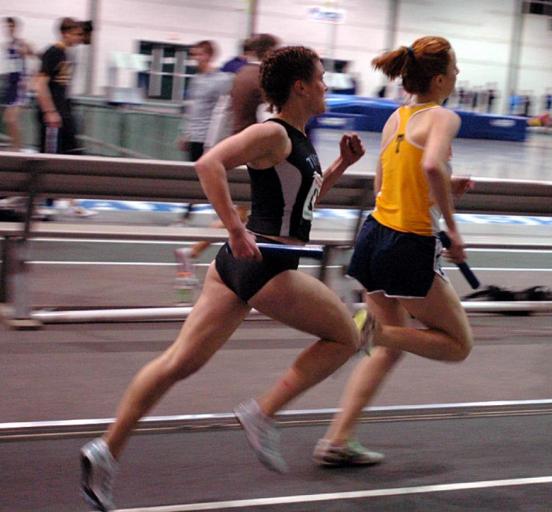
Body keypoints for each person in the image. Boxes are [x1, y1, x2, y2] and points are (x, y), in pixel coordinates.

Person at [79, 45, 368, 511]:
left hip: (239, 264)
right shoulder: (271, 133)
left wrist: (338, 167)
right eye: (320, 79)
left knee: (179, 362)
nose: (326, 87)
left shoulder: (296, 137)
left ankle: (106, 452)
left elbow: (300, 205)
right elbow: (208, 163)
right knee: (346, 337)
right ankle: (263, 414)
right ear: (300, 86)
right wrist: (234, 229)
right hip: (265, 262)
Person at [312, 36, 474, 467]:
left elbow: (385, 189)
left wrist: (442, 192)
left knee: (389, 348)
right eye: (455, 70)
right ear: (439, 78)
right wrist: (453, 230)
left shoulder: (395, 118)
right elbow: (429, 165)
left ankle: (337, 440)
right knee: (457, 344)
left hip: (374, 237)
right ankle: (371, 330)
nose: (458, 76)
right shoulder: (442, 117)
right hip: (408, 243)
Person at [173, 34, 279, 291]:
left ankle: (202, 255)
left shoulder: (239, 76)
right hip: (254, 152)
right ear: (268, 53)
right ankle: (196, 254)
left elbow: (224, 113)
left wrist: (214, 146)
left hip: (238, 147)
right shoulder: (261, 79)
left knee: (243, 212)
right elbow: (270, 118)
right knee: (247, 212)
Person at [34, 17, 94, 217]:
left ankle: (69, 201)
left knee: (69, 155)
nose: (79, 38)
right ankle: (42, 201)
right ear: (65, 33)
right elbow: (40, 84)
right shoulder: (54, 52)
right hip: (52, 115)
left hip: (63, 111)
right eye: (76, 34)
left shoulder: (66, 54)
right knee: (48, 158)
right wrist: (50, 111)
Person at [176, 40, 234, 223]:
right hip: (195, 135)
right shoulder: (196, 80)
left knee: (211, 177)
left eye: (199, 54)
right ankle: (189, 212)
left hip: (209, 138)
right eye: (194, 55)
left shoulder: (221, 80)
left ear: (209, 55)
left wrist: (215, 140)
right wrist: (185, 133)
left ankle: (225, 214)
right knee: (194, 176)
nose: (195, 59)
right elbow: (192, 109)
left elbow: (224, 109)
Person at [2, 17, 33, 151]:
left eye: (11, 27)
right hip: (11, 85)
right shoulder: (7, 45)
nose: (9, 29)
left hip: (20, 85)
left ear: (16, 28)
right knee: (7, 119)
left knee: (12, 119)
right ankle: (15, 146)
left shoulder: (21, 43)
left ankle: (18, 148)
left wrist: (26, 52)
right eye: (6, 27)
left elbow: (33, 54)